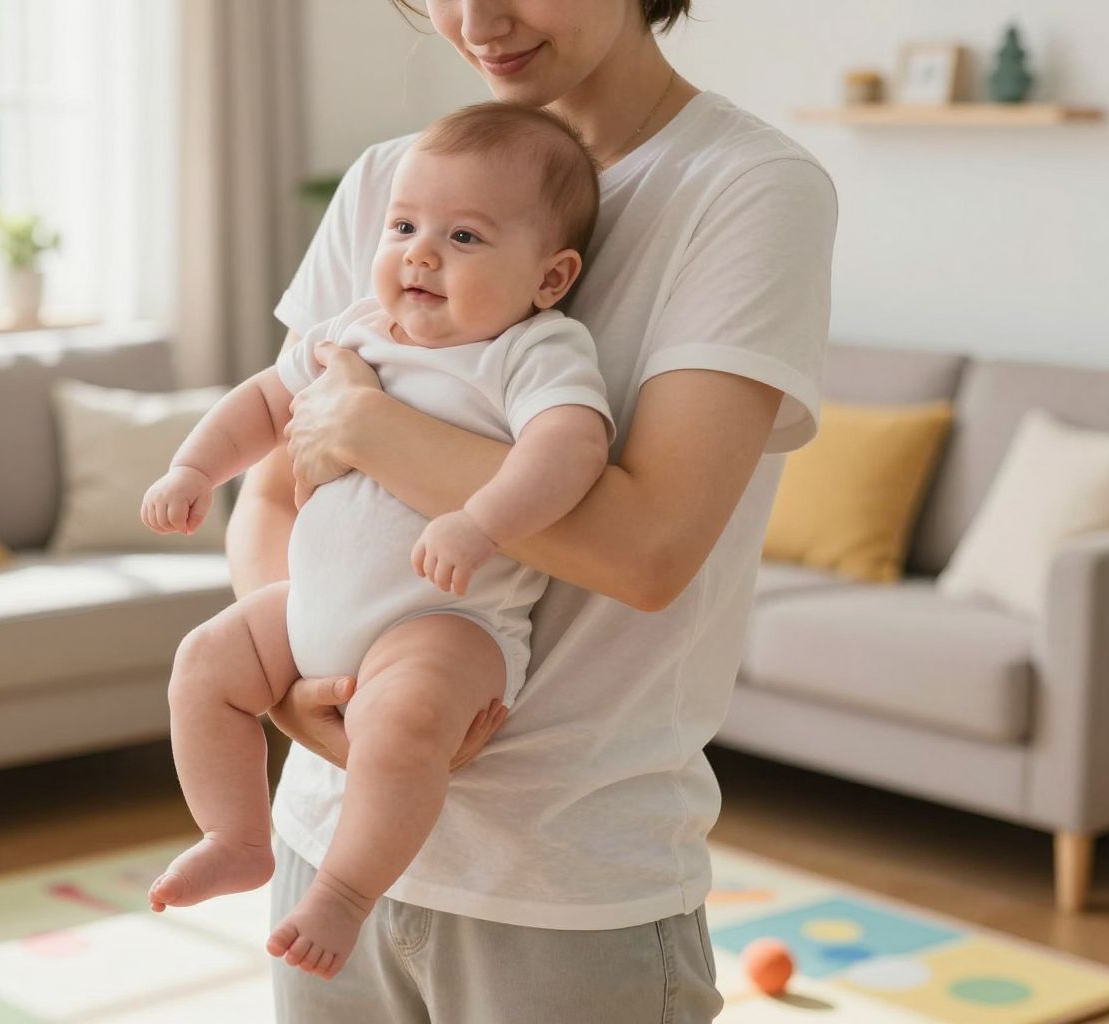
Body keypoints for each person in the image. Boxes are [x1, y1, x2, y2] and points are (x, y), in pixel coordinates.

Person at [231, 0, 839, 1019]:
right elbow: (270, 487)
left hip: (564, 890)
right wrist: (294, 682)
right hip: (324, 842)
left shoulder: (745, 189)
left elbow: (647, 550)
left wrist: (367, 427)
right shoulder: (391, 181)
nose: (474, 19)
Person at [140, 102, 616, 981]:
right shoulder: (355, 329)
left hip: (444, 622)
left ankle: (346, 892)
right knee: (205, 662)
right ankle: (236, 837)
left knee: (402, 725)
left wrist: (482, 520)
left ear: (550, 278)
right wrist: (194, 468)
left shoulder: (532, 351)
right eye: (404, 227)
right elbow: (265, 401)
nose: (420, 254)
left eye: (464, 237)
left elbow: (571, 448)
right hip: (310, 608)